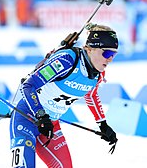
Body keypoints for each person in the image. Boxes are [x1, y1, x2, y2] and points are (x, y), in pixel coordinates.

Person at [10, 24, 118, 168]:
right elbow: (28, 85)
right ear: (91, 48)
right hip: (26, 117)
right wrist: (41, 115)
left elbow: (91, 96)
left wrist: (103, 125)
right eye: (107, 53)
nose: (110, 59)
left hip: (51, 125)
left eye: (113, 55)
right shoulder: (66, 61)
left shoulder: (97, 74)